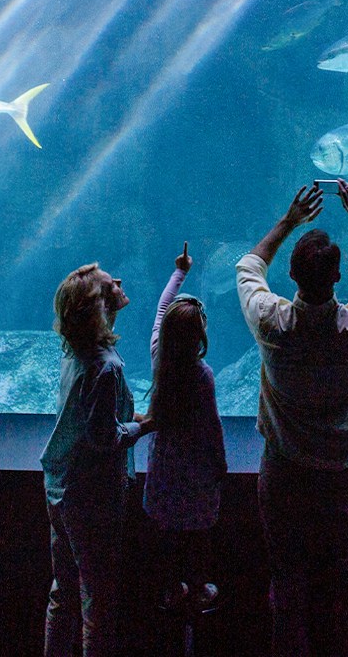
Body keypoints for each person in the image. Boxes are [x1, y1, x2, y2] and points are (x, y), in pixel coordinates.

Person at [236, 180, 348, 657]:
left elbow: (249, 267)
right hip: (341, 475)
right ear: (337, 278)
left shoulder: (270, 322)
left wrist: (289, 221)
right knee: (345, 586)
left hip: (283, 472)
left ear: (290, 275)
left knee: (287, 585)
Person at [41, 263, 147, 657]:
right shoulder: (106, 365)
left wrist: (131, 416)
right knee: (97, 602)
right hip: (92, 498)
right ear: (97, 306)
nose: (118, 281)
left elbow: (88, 415)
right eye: (108, 284)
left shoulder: (76, 353)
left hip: (61, 487)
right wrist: (143, 428)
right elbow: (104, 436)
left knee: (63, 590)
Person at [144, 242, 226, 615]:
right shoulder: (202, 375)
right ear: (200, 338)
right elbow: (211, 427)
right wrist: (220, 464)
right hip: (194, 474)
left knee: (167, 536)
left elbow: (162, 308)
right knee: (196, 536)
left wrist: (180, 272)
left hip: (163, 468)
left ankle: (169, 588)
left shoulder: (159, 353)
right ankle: (196, 588)